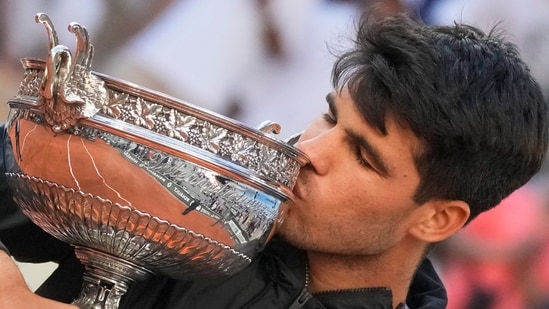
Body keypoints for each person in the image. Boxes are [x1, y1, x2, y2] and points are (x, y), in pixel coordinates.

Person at [1, 11, 548, 308]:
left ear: (438, 217)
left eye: (363, 156)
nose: (308, 153)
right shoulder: (210, 211)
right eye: (331, 119)